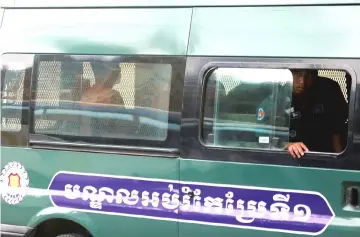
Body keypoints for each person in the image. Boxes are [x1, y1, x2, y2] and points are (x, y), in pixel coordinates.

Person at [256, 69, 348, 159]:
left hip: (325, 158)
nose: (302, 82)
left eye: (308, 75)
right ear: (289, 74)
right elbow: (262, 139)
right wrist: (287, 145)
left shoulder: (328, 91)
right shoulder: (275, 100)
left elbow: (338, 129)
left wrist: (339, 159)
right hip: (290, 160)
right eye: (297, 74)